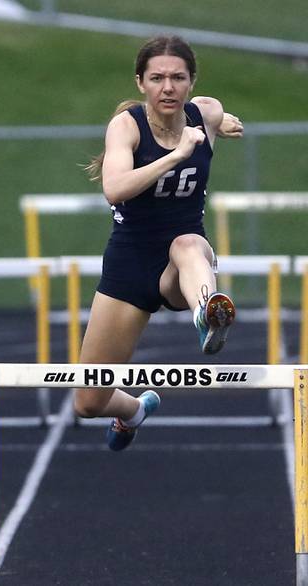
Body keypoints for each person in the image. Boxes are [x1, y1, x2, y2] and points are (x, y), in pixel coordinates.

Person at [78, 36, 244, 452]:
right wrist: (177, 153)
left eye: (177, 78)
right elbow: (114, 189)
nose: (167, 87)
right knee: (87, 400)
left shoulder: (205, 112)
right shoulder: (126, 126)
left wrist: (220, 124)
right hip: (130, 263)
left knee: (187, 243)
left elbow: (218, 112)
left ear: (191, 82)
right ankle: (133, 410)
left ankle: (208, 312)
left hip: (184, 266)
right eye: (157, 78)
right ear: (140, 83)